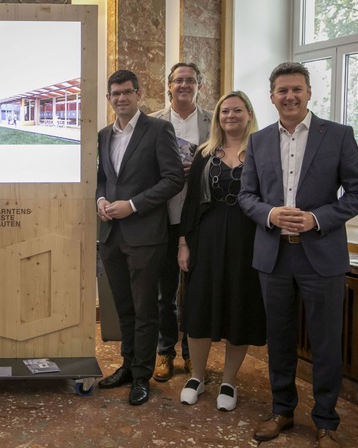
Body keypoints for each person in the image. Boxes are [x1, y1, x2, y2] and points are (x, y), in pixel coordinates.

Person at [239, 62, 358, 448]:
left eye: (297, 89)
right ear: (272, 96)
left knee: (326, 342)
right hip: (274, 256)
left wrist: (316, 218)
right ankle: (281, 410)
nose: (290, 96)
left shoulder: (339, 135)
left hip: (322, 257)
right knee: (279, 339)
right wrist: (270, 214)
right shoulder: (259, 140)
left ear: (309, 92)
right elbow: (246, 196)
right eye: (282, 90)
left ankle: (326, 421)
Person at [96, 70, 184, 406]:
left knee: (146, 309)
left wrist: (132, 205)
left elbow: (173, 179)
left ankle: (142, 376)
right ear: (109, 98)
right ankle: (128, 365)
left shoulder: (159, 130)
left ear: (139, 94)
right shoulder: (104, 135)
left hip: (146, 235)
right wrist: (101, 200)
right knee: (124, 308)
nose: (121, 98)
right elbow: (102, 178)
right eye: (115, 94)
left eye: (127, 92)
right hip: (111, 235)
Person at [177, 91, 265, 411]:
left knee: (239, 307)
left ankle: (229, 381)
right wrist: (183, 243)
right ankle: (196, 377)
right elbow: (191, 204)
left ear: (249, 114)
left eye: (237, 110)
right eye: (224, 111)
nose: (230, 116)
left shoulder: (262, 153)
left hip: (248, 241)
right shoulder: (205, 153)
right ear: (217, 117)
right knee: (199, 306)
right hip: (207, 239)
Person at [149, 62, 213, 381]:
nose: (184, 85)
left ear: (199, 85)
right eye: (178, 80)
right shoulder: (151, 122)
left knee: (196, 293)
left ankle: (191, 354)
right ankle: (165, 352)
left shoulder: (214, 121)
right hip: (164, 217)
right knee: (165, 293)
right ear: (169, 86)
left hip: (201, 219)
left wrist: (199, 169)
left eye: (190, 80)